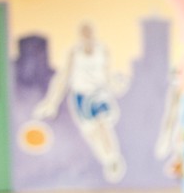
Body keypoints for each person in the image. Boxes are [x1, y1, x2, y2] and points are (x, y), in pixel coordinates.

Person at [32, 20, 127, 182]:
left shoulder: (102, 50)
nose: (86, 35)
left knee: (103, 124)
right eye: (83, 32)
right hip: (81, 96)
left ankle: (113, 158)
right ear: (80, 35)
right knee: (92, 133)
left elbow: (107, 73)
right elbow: (63, 78)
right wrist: (51, 102)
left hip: (98, 94)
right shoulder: (74, 53)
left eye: (89, 31)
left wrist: (116, 85)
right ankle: (107, 159)